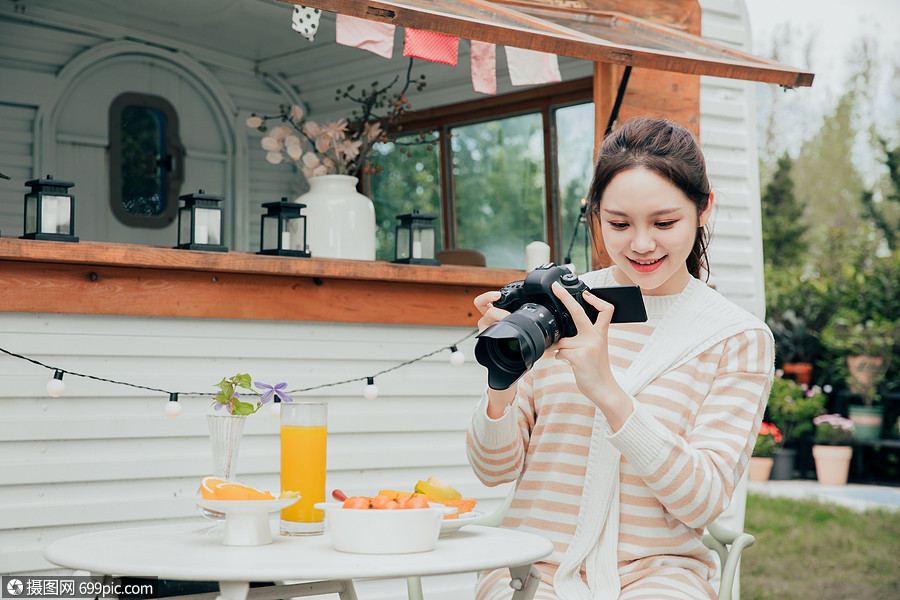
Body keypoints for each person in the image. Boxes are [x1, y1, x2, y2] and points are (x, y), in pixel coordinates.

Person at [467, 118, 775, 600]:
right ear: (595, 215)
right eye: (619, 223)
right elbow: (493, 470)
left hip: (658, 576)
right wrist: (500, 376)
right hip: (533, 568)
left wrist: (607, 391)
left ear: (703, 209)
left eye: (664, 222)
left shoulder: (735, 338)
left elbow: (703, 502)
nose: (642, 244)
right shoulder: (558, 306)